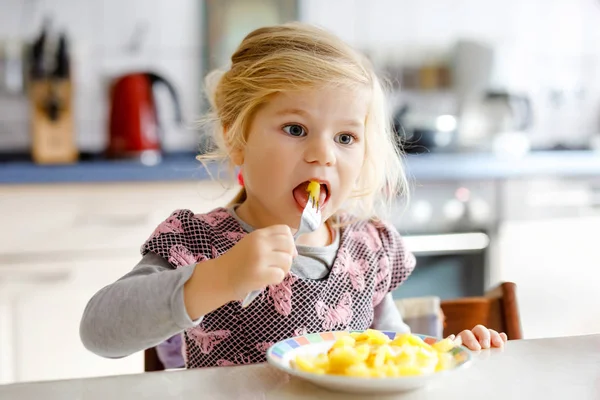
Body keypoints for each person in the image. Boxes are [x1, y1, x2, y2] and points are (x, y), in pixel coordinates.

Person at [80, 22, 507, 369]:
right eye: (296, 130)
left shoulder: (368, 248)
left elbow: (394, 353)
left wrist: (450, 354)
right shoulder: (198, 244)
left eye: (345, 137)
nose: (322, 154)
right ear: (238, 140)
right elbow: (99, 331)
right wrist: (217, 279)